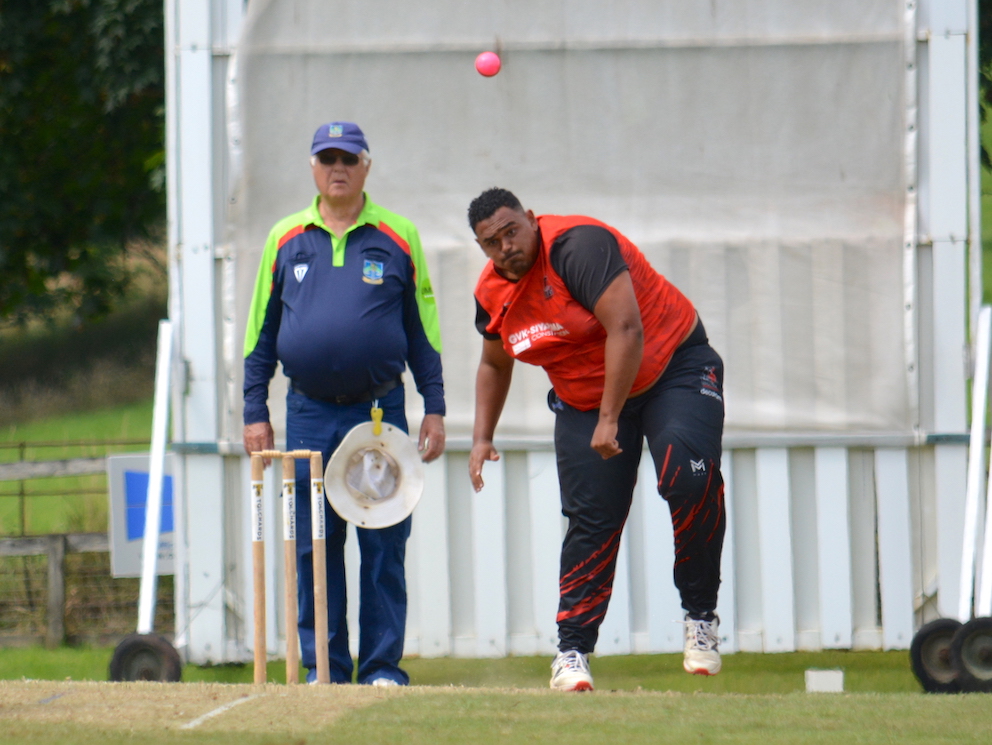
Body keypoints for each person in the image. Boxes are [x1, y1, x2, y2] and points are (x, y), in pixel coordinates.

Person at [467, 188, 725, 692]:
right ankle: (572, 651)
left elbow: (626, 329)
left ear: (531, 219)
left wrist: (610, 419)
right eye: (491, 243)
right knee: (592, 516)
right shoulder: (493, 291)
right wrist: (481, 437)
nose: (506, 248)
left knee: (684, 476)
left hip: (671, 367)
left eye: (511, 232)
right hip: (584, 397)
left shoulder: (577, 247)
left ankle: (701, 615)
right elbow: (494, 363)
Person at [243, 122, 445, 686]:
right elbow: (261, 331)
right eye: (327, 158)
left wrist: (435, 404)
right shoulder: (286, 237)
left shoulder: (397, 235)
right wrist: (253, 411)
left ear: (366, 166)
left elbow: (421, 328)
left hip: (378, 415)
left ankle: (381, 668)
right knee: (313, 546)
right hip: (308, 412)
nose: (338, 168)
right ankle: (324, 669)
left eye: (348, 158)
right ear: (312, 167)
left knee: (383, 542)